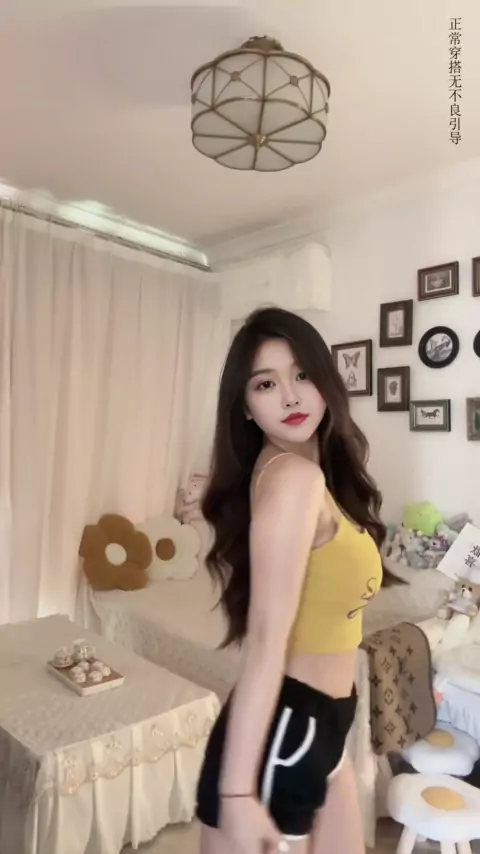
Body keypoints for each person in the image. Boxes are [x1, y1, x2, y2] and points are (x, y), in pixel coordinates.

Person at [195, 307, 400, 854]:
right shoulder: (294, 480)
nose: (290, 397)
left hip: (325, 722)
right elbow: (267, 642)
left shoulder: (312, 475)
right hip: (287, 731)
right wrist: (237, 793)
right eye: (266, 384)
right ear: (245, 406)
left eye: (303, 374)